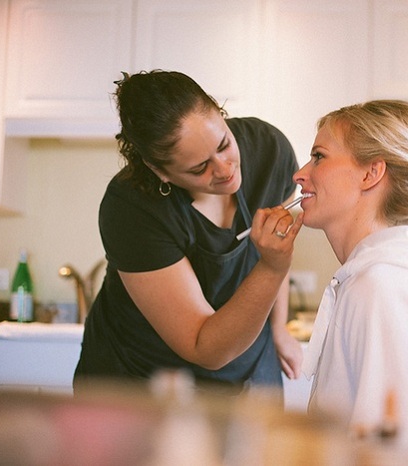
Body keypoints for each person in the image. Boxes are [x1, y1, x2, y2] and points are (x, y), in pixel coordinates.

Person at [73, 70, 304, 399]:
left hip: (246, 361)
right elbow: (203, 346)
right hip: (141, 379)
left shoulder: (267, 149)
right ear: (159, 170)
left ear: (220, 114)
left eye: (224, 145)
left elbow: (274, 237)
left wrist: (279, 327)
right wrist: (273, 266)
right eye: (199, 168)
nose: (224, 170)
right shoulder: (131, 208)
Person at [297, 100, 408, 444]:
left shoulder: (383, 286)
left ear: (371, 173)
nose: (300, 174)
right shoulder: (374, 277)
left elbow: (389, 448)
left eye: (319, 156)